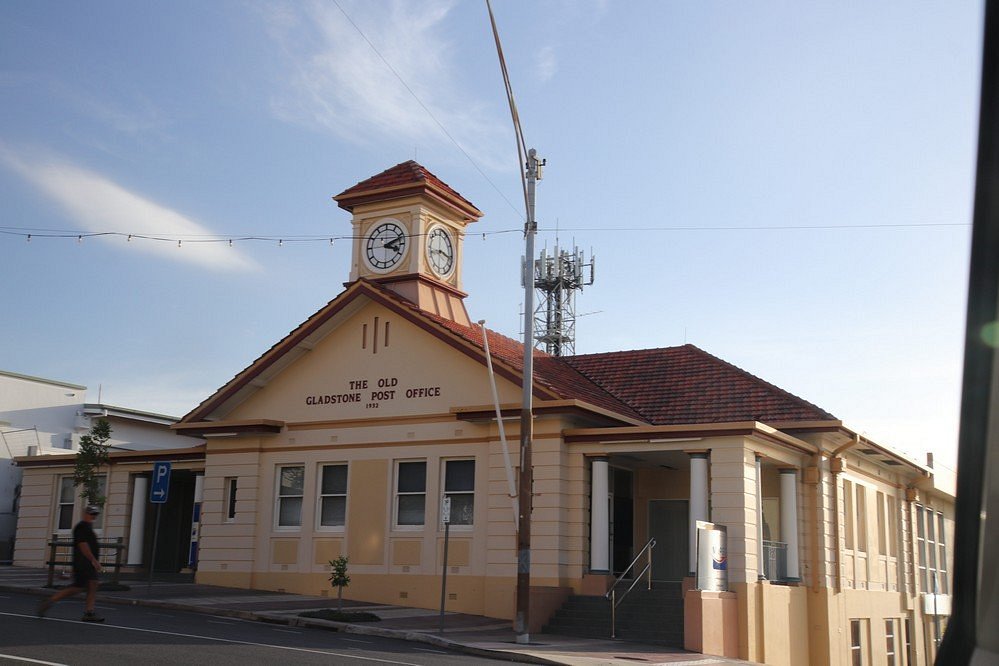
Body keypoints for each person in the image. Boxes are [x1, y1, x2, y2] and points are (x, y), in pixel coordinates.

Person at [37, 505, 105, 622]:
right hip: (83, 563)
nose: (93, 516)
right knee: (78, 588)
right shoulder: (81, 527)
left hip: (87, 563)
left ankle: (89, 612)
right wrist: (93, 560)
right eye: (91, 514)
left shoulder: (87, 527)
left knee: (92, 585)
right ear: (86, 514)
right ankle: (50, 600)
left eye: (95, 514)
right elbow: (83, 545)